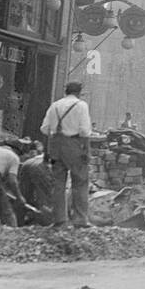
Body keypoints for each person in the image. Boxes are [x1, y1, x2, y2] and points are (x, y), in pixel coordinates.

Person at [39, 81, 93, 228]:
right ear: (79, 92)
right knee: (80, 182)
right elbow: (84, 131)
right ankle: (80, 219)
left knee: (58, 185)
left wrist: (46, 151)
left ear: (66, 91)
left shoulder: (55, 105)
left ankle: (59, 220)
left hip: (56, 146)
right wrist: (87, 151)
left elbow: (45, 129)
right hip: (73, 145)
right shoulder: (81, 105)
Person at [18, 146, 55, 226]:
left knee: (24, 196)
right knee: (45, 199)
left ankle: (20, 221)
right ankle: (46, 223)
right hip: (41, 165)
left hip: (28, 163)